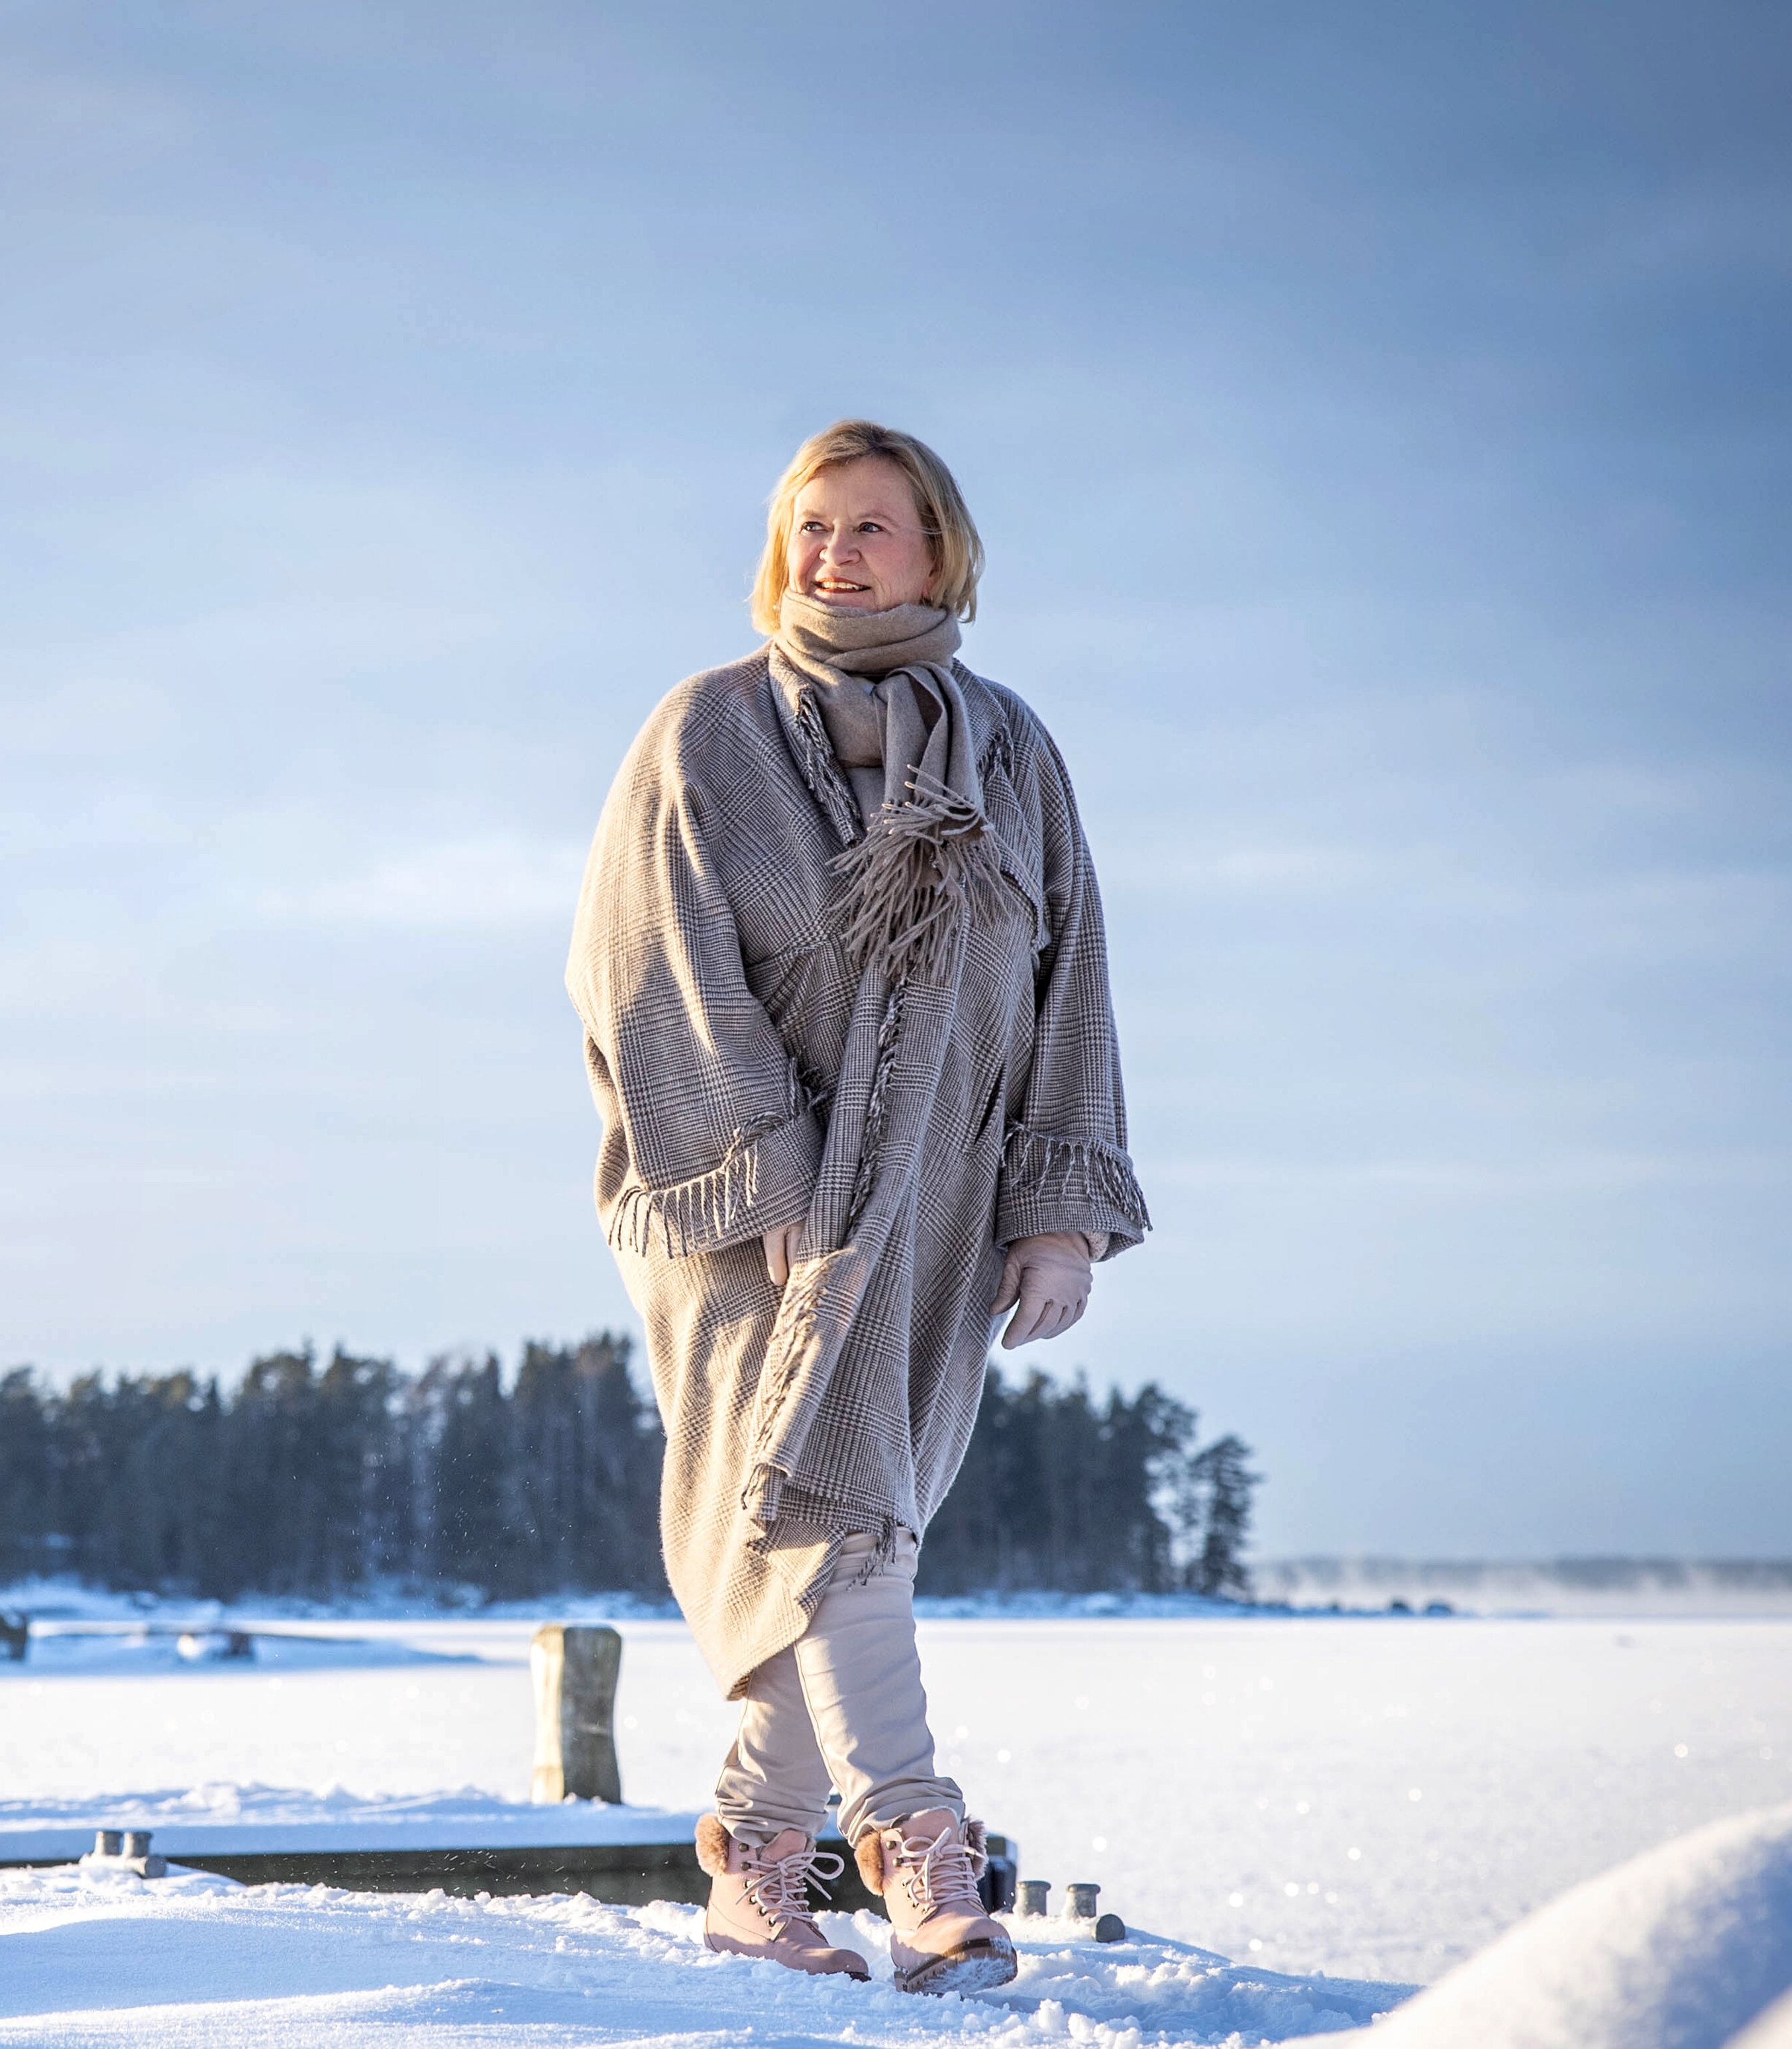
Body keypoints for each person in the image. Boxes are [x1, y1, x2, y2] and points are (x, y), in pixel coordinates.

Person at [566, 419, 1149, 1995]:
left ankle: (756, 1866)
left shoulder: (1011, 750)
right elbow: (643, 967)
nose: (832, 554)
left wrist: (1053, 1205)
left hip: (941, 1202)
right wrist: (759, 1174)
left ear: (939, 550)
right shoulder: (704, 733)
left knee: (831, 1533)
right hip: (741, 1206)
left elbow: (1068, 979)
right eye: (809, 527)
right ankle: (914, 1845)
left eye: (868, 527)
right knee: (836, 1522)